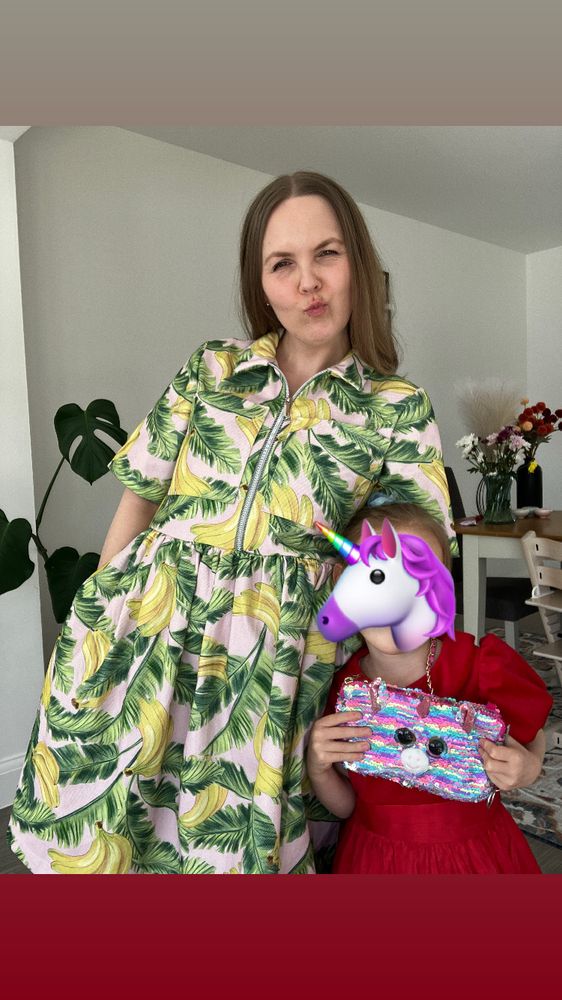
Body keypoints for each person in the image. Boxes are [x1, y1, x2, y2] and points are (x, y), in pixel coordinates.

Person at [9, 172, 456, 875]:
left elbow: (415, 570)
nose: (307, 282)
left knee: (225, 857)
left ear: (358, 265)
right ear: (261, 280)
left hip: (271, 668)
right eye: (283, 263)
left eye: (327, 254)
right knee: (115, 835)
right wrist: (90, 619)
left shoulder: (397, 408)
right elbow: (139, 494)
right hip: (143, 637)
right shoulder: (213, 368)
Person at [307, 503, 553, 874]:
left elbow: (535, 731)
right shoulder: (346, 689)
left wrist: (530, 766)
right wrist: (320, 767)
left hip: (476, 857)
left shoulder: (480, 665)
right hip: (375, 861)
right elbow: (347, 806)